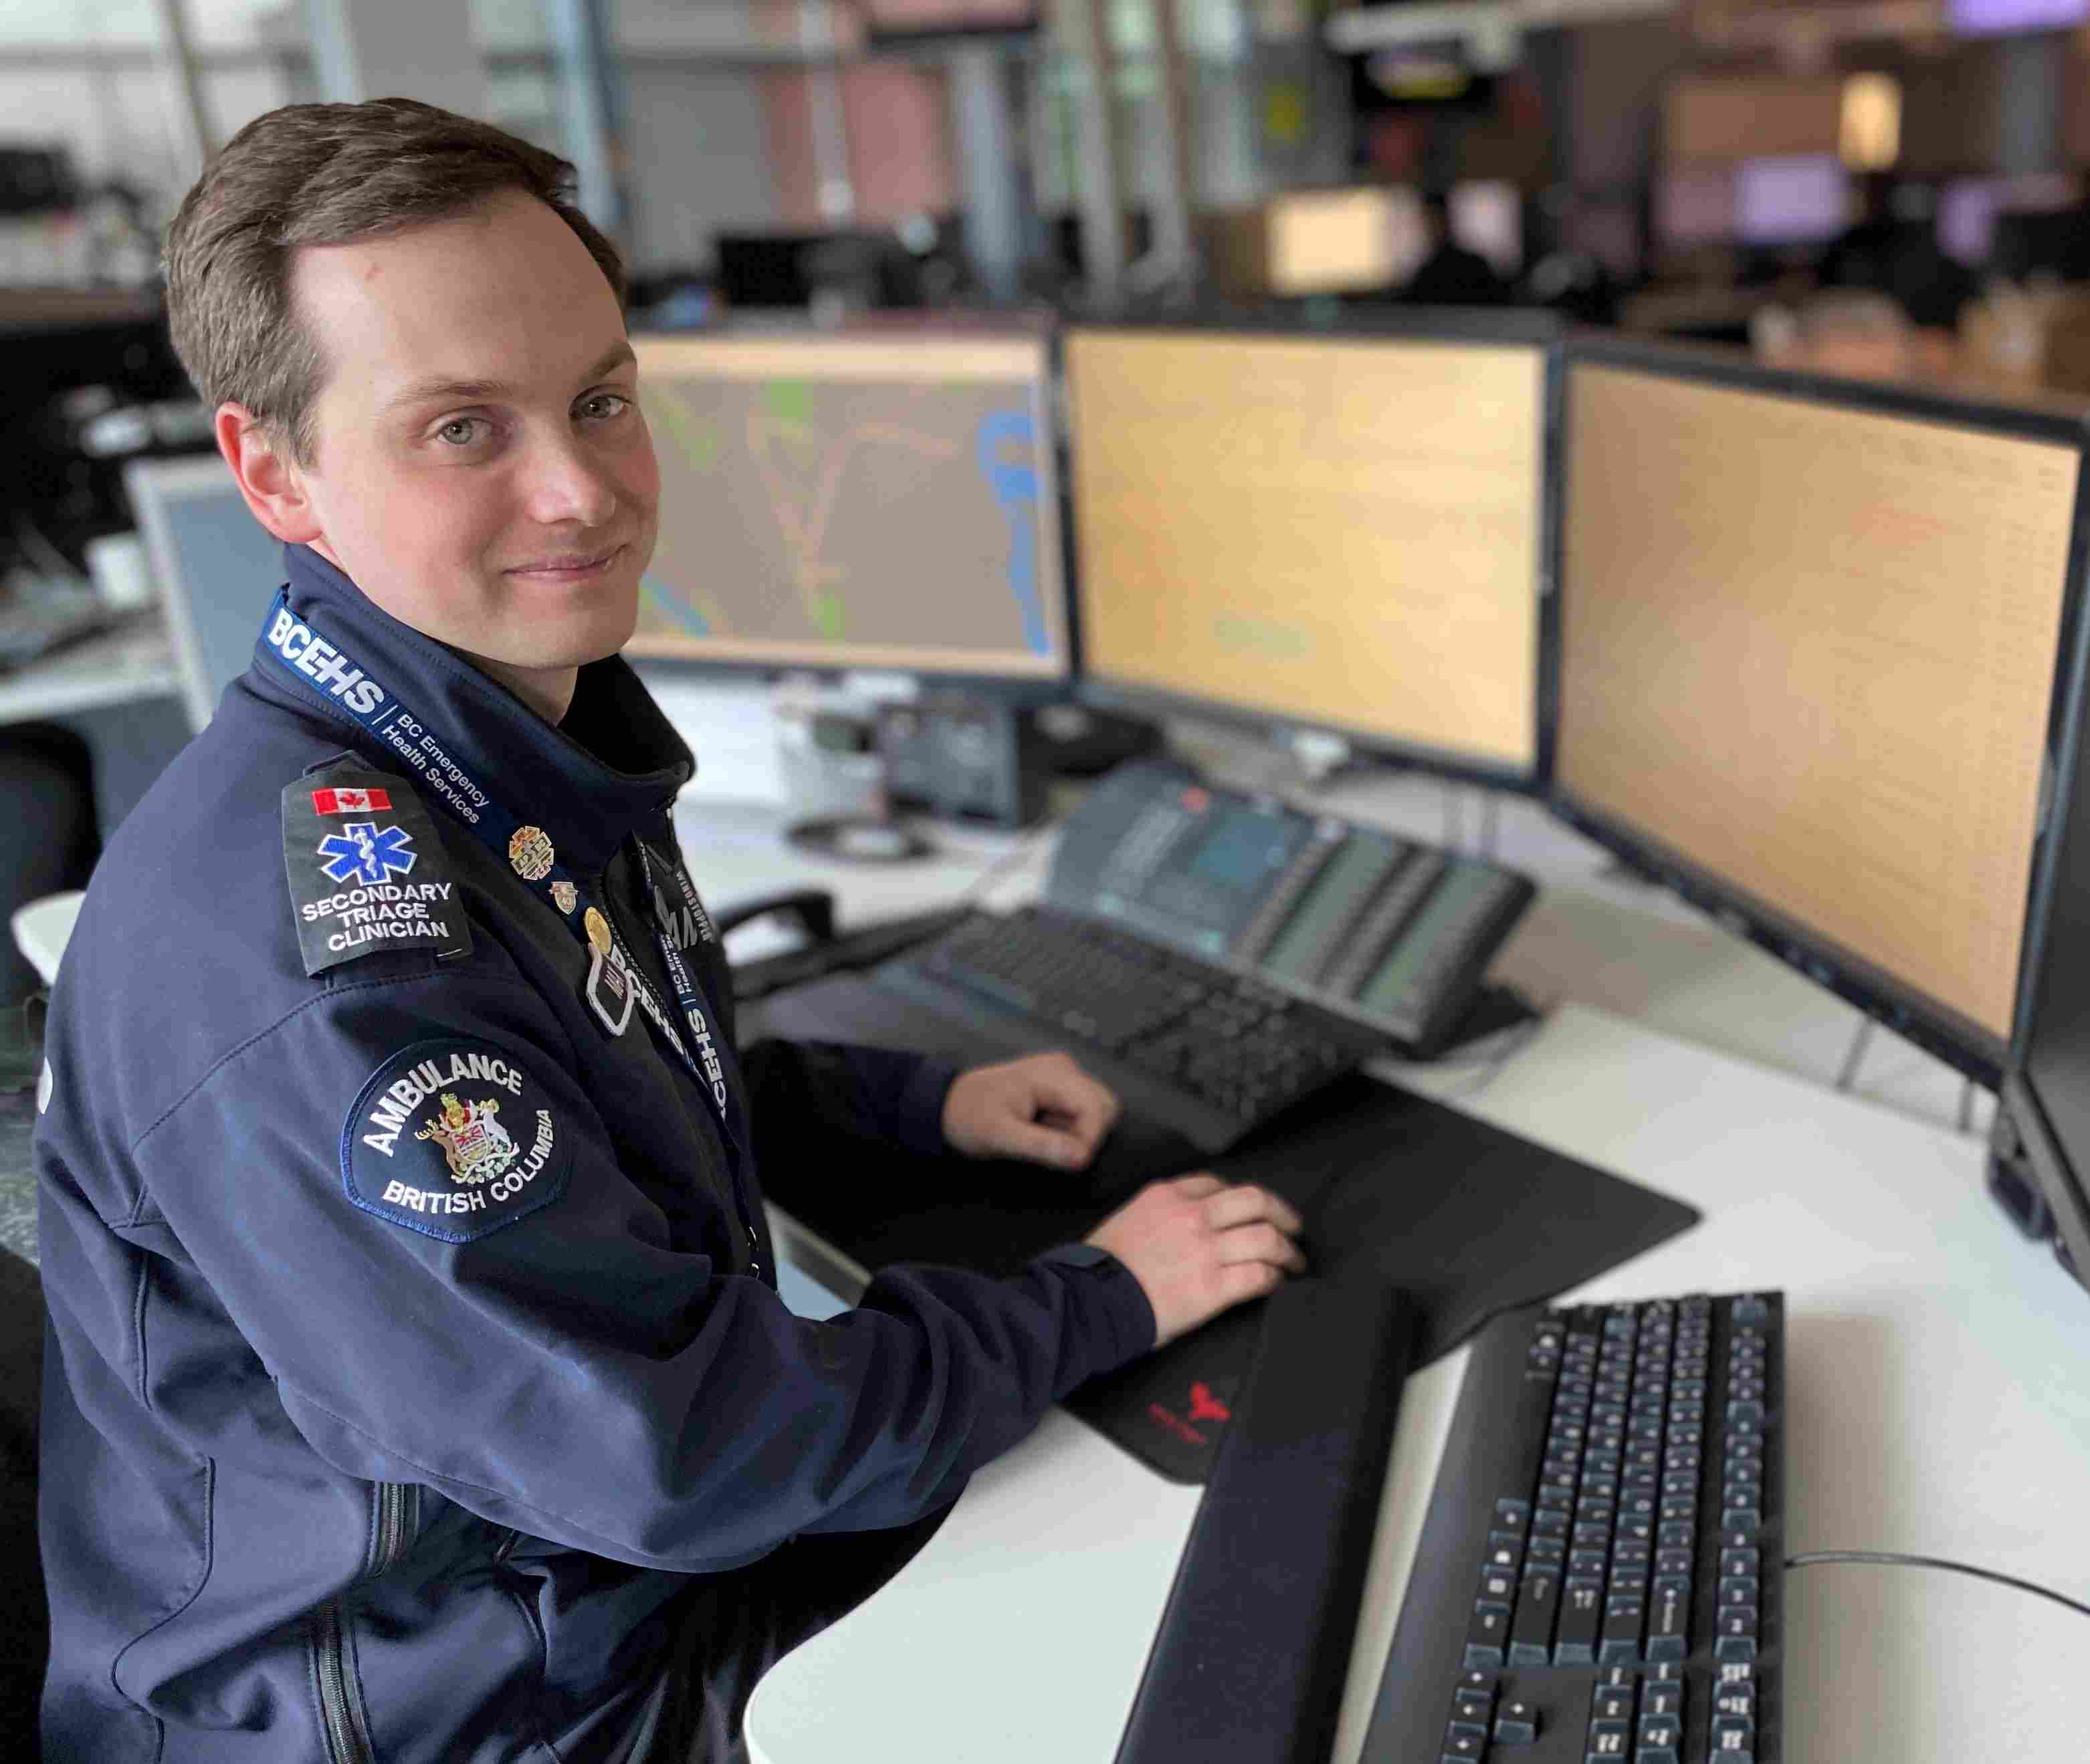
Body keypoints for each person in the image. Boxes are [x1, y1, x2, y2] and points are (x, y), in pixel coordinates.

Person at [31, 98, 1308, 1763]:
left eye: (600, 399)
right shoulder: (321, 944)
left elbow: (583, 1096)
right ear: (272, 468)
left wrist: (906, 1104)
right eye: (462, 429)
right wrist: (1097, 1299)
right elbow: (674, 1451)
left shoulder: (481, 753)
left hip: (551, 1593)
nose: (580, 488)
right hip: (459, 1709)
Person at [1403, 191, 1509, 308]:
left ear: (1447, 220)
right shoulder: (1425, 274)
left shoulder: (1474, 267)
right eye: (1428, 220)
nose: (1431, 227)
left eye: (1436, 219)